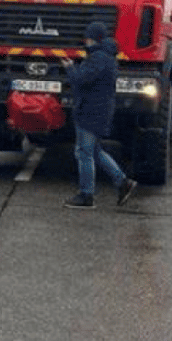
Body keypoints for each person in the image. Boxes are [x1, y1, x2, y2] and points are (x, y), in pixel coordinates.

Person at [60, 21, 136, 209]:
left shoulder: (98, 58)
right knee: (95, 151)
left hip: (90, 111)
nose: (85, 41)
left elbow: (80, 80)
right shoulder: (106, 57)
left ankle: (87, 195)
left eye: (87, 37)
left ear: (93, 38)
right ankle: (122, 182)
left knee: (84, 152)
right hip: (99, 110)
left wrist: (69, 68)